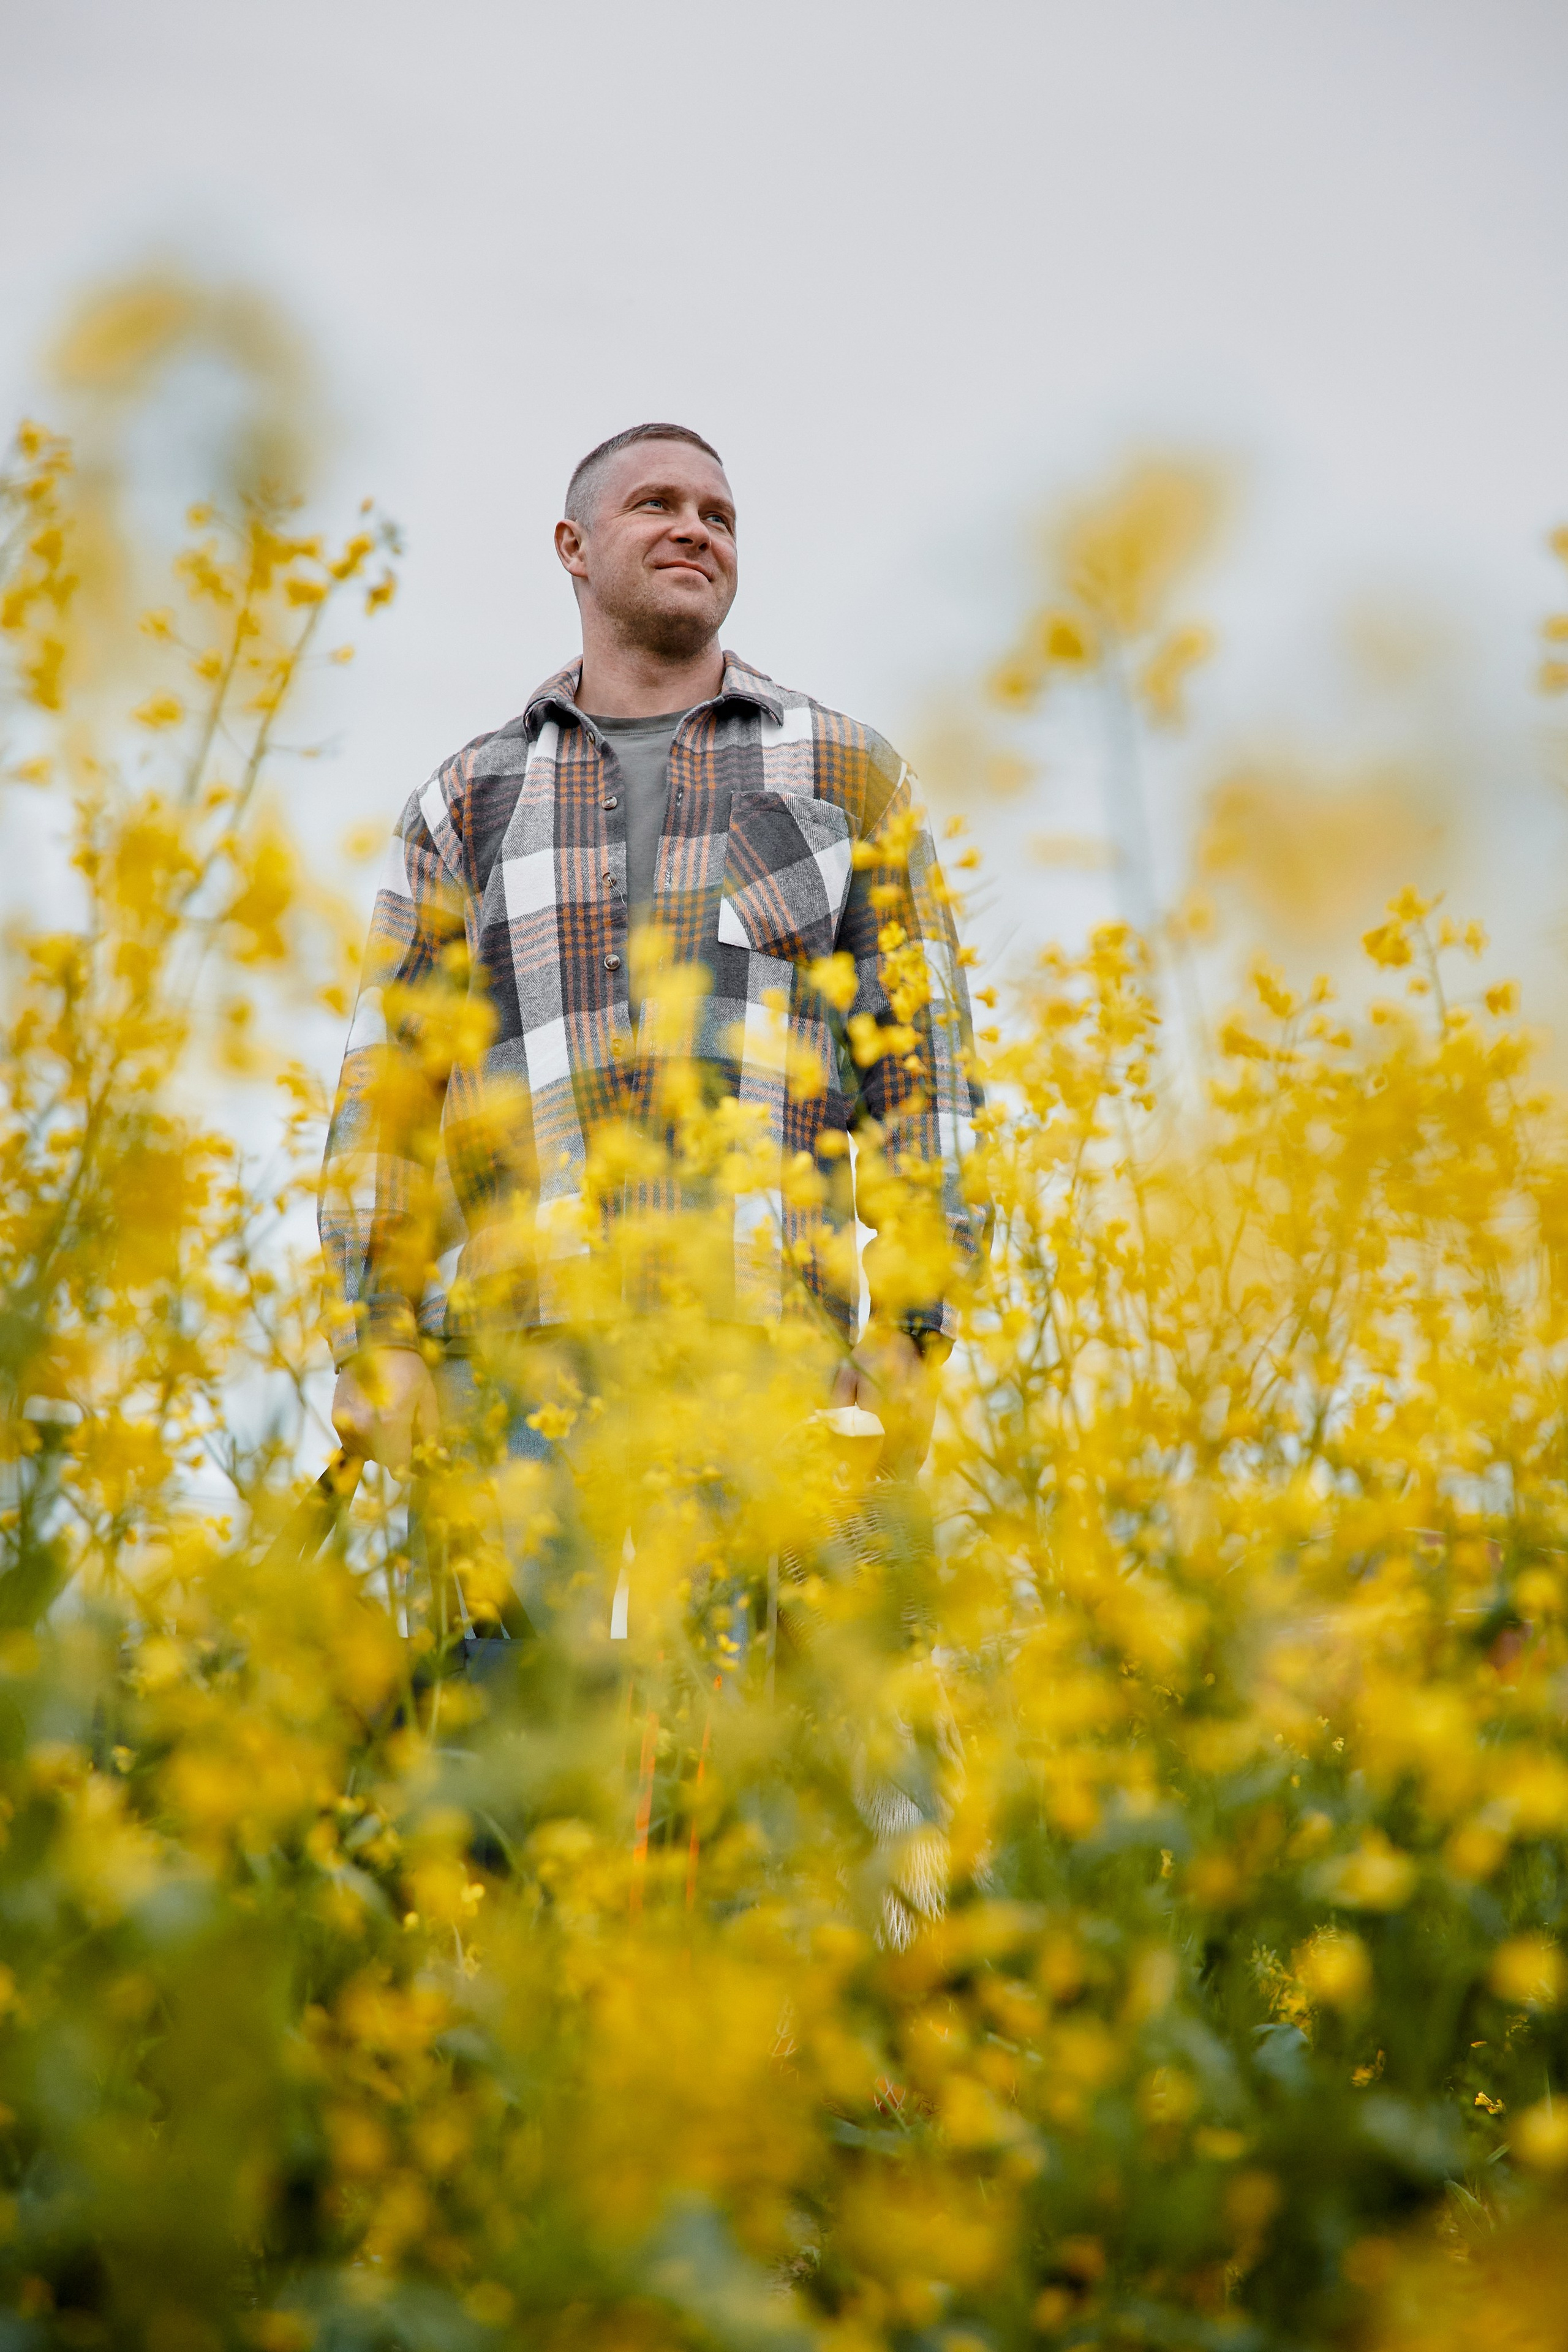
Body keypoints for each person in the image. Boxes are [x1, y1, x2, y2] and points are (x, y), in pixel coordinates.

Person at [321, 423, 984, 1544]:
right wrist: (374, 1338)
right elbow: (389, 1089)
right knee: (507, 1663)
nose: (695, 530)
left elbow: (925, 1077)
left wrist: (911, 1331)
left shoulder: (845, 770)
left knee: (780, 1658)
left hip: (769, 1347)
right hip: (515, 1355)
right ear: (573, 546)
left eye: (719, 517)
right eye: (657, 506)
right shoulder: (467, 798)